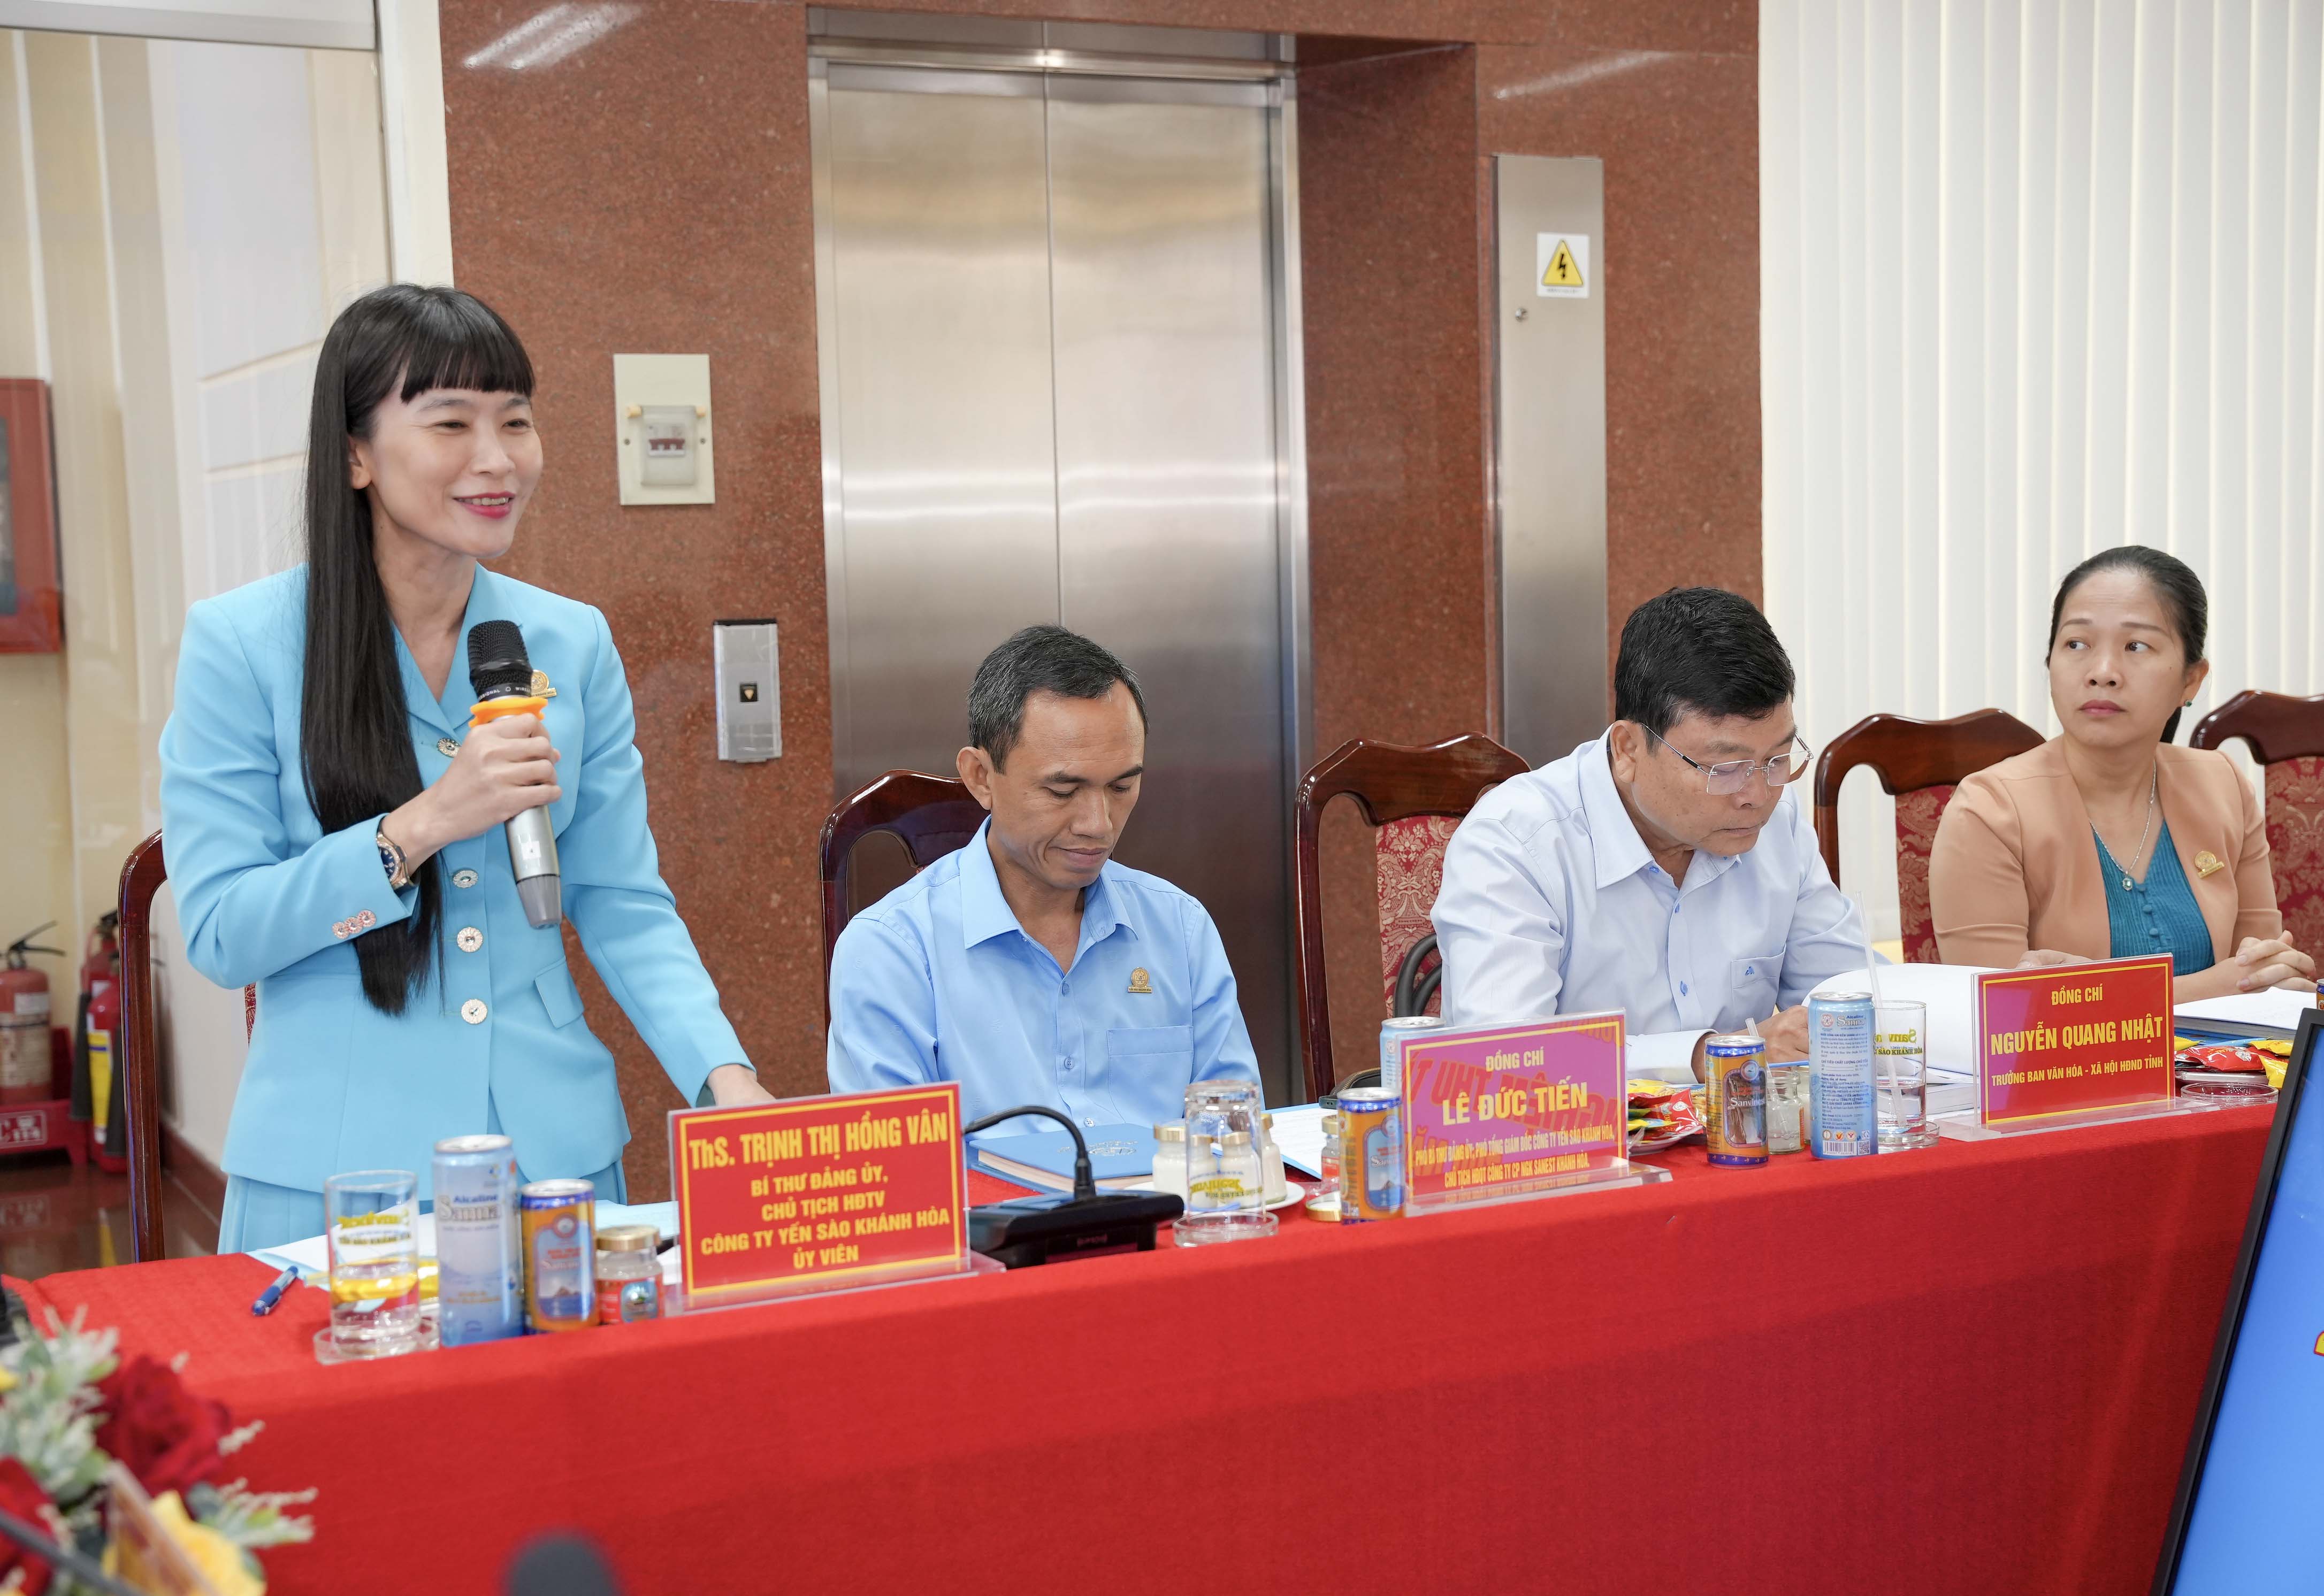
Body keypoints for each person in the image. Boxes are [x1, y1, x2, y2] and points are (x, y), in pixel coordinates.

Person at [160, 285, 771, 1252]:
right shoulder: (244, 644)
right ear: (355, 454)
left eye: (515, 421)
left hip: (553, 1157)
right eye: (451, 423)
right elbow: (223, 931)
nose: (498, 459)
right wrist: (422, 824)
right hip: (337, 1174)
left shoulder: (570, 640)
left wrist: (722, 1076)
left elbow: (620, 899)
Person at [825, 625, 1261, 1135]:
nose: (1098, 824)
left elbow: (1236, 1133)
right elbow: (899, 1165)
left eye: (1122, 786)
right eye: (1062, 791)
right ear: (981, 777)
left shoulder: (1178, 928)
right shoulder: (893, 951)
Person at [1431, 587, 1867, 1076]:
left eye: (1778, 760)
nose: (1758, 795)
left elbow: (1852, 994)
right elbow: (1504, 1058)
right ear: (1629, 750)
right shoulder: (1514, 843)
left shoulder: (1777, 823)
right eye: (1726, 769)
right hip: (1580, 1127)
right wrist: (1709, 1055)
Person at [1929, 546, 2314, 996]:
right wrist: (2218, 986)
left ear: (2191, 680)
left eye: (2136, 646)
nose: (2103, 672)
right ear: (2051, 663)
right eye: (2076, 644)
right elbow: (2005, 1013)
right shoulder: (1988, 811)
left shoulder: (2224, 784)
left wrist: (2093, 991)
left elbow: (2266, 979)